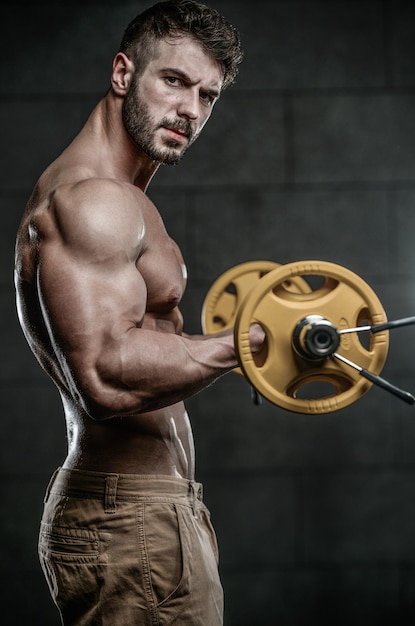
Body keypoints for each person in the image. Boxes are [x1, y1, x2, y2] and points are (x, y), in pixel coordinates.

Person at [14, 1, 265, 624]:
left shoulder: (126, 199)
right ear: (124, 74)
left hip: (151, 515)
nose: (190, 110)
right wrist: (248, 345)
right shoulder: (93, 200)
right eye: (174, 81)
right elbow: (105, 374)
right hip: (130, 522)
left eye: (208, 96)